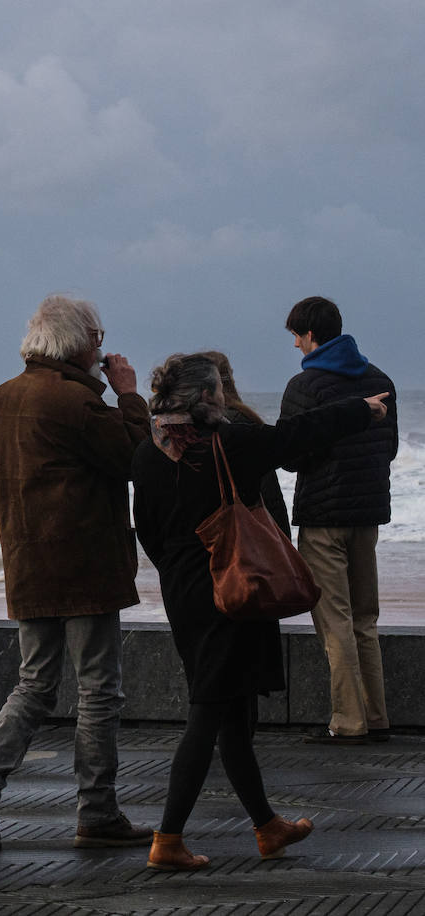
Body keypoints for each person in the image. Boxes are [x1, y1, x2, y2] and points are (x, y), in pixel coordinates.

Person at [132, 352, 389, 870]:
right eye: (219, 394)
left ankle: (267, 827)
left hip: (184, 591)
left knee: (232, 715)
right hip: (234, 589)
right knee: (209, 713)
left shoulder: (147, 451)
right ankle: (168, 838)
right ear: (206, 396)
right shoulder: (229, 442)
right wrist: (362, 410)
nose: (224, 401)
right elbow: (298, 435)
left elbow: (148, 532)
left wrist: (183, 573)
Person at [0, 294, 151, 850]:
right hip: (87, 568)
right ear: (78, 342)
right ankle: (98, 811)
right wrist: (131, 395)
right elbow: (136, 459)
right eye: (98, 339)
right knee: (98, 692)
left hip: (29, 566)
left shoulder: (2, 398)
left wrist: (22, 529)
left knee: (34, 685)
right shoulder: (76, 403)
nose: (102, 349)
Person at [278, 296, 398, 745]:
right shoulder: (380, 378)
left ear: (309, 335)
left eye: (295, 335)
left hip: (324, 516)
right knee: (365, 616)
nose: (294, 344)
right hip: (368, 515)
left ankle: (348, 721)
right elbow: (390, 448)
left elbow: (291, 456)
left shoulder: (305, 386)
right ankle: (376, 715)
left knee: (335, 620)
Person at [197, 351, 291, 536]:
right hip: (250, 529)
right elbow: (269, 490)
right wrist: (281, 535)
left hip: (222, 531)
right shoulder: (245, 419)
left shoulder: (206, 425)